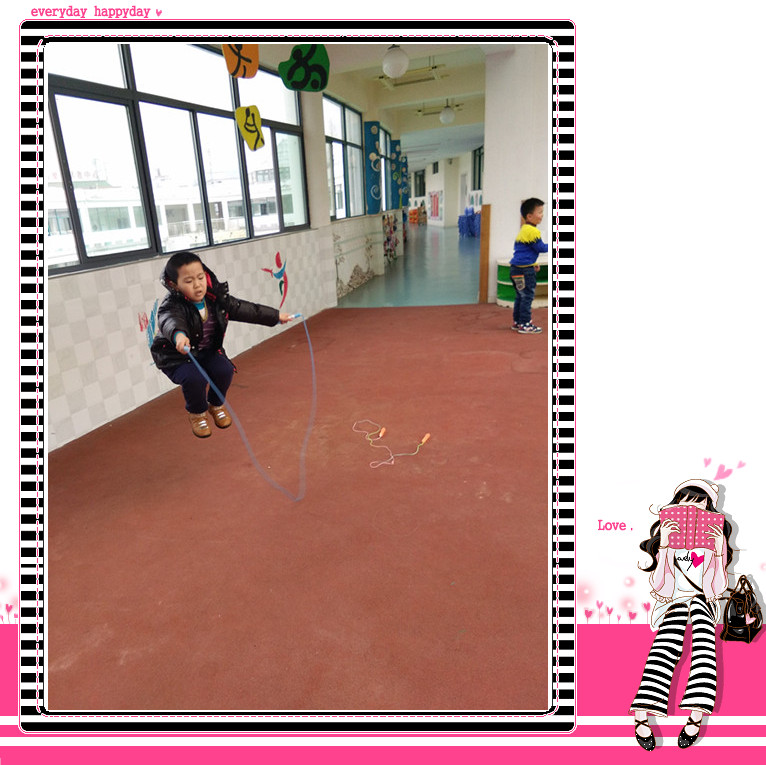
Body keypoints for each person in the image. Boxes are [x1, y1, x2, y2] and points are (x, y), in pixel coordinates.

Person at [630, 479, 732, 751]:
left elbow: (716, 589)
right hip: (674, 601)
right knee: (664, 649)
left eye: (700, 506)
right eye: (686, 505)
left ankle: (696, 714)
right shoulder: (669, 539)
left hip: (702, 600)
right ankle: (642, 712)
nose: (693, 511)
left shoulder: (715, 542)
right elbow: (660, 587)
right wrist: (665, 546)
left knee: (704, 649)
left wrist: (717, 551)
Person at [150, 251, 293, 438]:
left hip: (207, 350)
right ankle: (197, 414)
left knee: (224, 370)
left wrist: (275, 316)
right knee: (195, 379)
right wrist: (178, 335)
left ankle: (216, 405)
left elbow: (247, 310)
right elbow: (170, 320)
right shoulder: (171, 305)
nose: (197, 284)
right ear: (174, 285)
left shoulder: (216, 299)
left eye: (200, 277)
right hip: (176, 356)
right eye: (189, 281)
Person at [510, 198, 548, 334]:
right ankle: (525, 324)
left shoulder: (524, 230)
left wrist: (534, 263)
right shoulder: (533, 231)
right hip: (525, 271)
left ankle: (518, 321)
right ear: (529, 216)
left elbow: (523, 251)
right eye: (540, 212)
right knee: (527, 296)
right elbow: (541, 248)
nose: (542, 215)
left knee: (520, 295)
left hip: (515, 269)